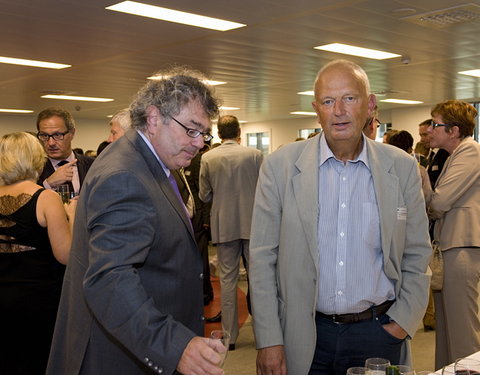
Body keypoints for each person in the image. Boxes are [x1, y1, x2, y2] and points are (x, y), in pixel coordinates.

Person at [249, 59, 431, 375]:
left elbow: (417, 251)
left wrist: (402, 322)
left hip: (378, 334)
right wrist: (268, 339)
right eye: (328, 101)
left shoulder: (400, 168)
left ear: (370, 104)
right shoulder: (280, 167)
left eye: (349, 98)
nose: (339, 111)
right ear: (316, 108)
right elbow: (262, 258)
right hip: (303, 334)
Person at [46, 67, 226, 375]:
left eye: (204, 133)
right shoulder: (125, 174)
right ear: (155, 119)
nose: (200, 143)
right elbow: (109, 278)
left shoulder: (145, 161)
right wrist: (173, 345)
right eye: (192, 130)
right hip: (119, 356)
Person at [0, 132, 76, 374]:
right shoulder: (46, 198)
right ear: (35, 158)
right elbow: (66, 256)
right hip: (38, 300)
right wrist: (73, 218)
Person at [424, 100, 480, 368]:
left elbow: (439, 202)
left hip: (462, 248)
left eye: (436, 125)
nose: (430, 130)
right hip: (449, 248)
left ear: (454, 130)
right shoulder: (452, 155)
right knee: (447, 330)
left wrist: (422, 181)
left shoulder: (470, 152)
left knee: (462, 331)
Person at [199, 115, 263, 350]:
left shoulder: (207, 157)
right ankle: (263, 335)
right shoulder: (254, 155)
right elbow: (264, 188)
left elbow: (204, 195)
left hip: (223, 224)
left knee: (227, 280)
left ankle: (230, 337)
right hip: (252, 223)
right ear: (238, 132)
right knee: (257, 279)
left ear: (218, 133)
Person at [36, 107, 94, 195]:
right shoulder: (34, 169)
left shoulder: (92, 165)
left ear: (72, 133)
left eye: (57, 135)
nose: (51, 143)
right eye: (44, 135)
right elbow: (26, 203)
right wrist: (48, 184)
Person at [388, 130, 431, 199]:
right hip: (414, 208)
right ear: (410, 149)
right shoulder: (419, 170)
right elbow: (427, 196)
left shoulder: (384, 169)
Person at [418, 119, 450, 188]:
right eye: (421, 135)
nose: (422, 139)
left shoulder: (445, 154)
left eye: (425, 135)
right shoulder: (432, 153)